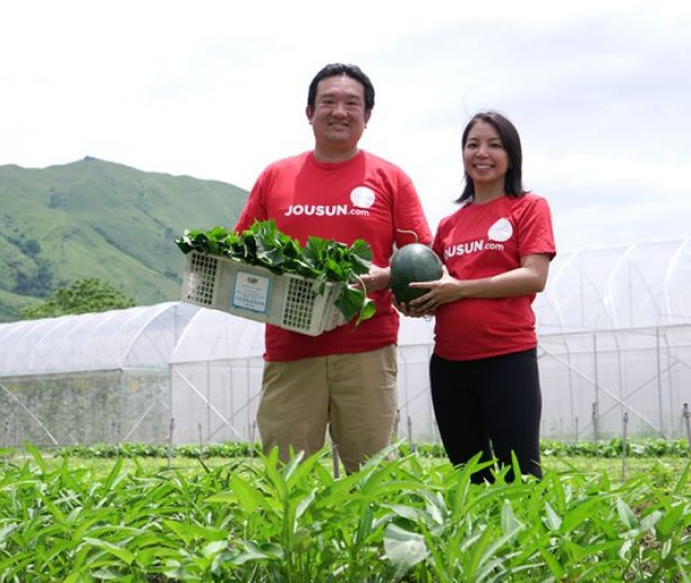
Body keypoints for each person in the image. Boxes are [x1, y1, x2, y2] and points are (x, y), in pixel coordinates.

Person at [234, 63, 432, 473]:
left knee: (373, 475)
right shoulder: (275, 177)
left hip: (367, 348)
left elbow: (421, 257)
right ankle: (292, 542)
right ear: (309, 112)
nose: (339, 111)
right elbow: (242, 251)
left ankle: (375, 542)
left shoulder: (390, 178)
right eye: (328, 101)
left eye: (351, 103)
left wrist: (383, 277)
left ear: (367, 116)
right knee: (286, 475)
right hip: (291, 348)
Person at [399, 110, 555, 482]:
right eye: (473, 145)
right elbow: (438, 284)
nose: (481, 153)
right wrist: (415, 302)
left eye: (494, 145)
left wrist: (461, 289)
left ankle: (526, 542)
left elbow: (534, 276)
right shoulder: (450, 225)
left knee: (521, 474)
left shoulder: (529, 208)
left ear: (511, 155)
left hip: (507, 359)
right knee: (470, 475)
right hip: (450, 364)